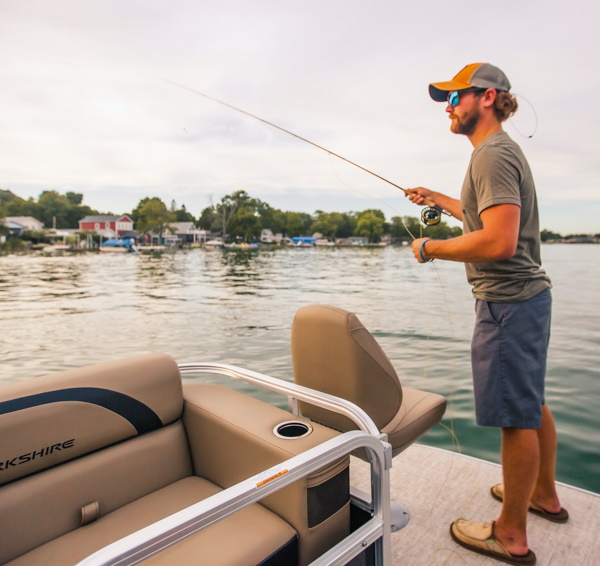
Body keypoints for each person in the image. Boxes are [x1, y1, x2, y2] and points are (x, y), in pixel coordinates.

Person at [406, 63, 568, 566]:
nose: (449, 107)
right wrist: (440, 200)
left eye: (456, 97)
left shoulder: (492, 155)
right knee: (530, 400)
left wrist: (430, 246)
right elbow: (488, 217)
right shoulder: (495, 154)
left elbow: (499, 241)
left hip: (507, 305)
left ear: (489, 97)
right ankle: (544, 494)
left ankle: (511, 534)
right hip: (526, 299)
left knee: (514, 417)